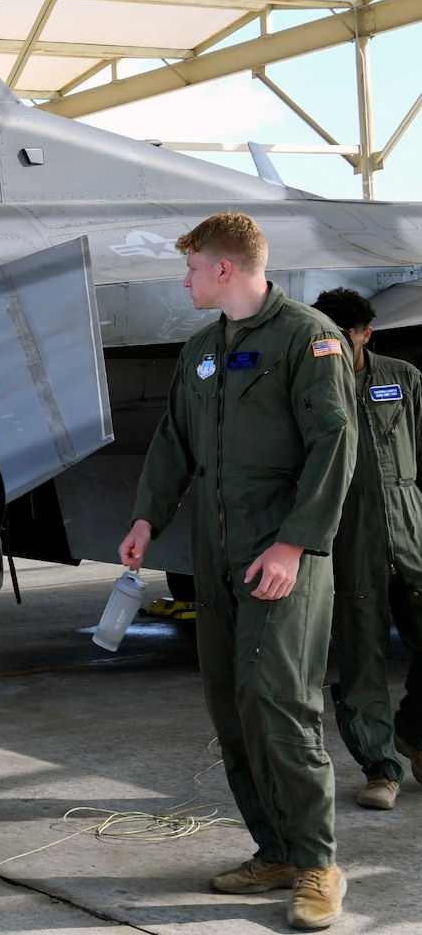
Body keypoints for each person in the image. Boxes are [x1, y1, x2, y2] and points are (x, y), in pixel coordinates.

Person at [118, 212, 356, 930]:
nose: (183, 279)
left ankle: (316, 863)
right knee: (230, 706)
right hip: (215, 560)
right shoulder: (200, 350)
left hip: (279, 556)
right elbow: (172, 443)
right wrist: (144, 518)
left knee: (280, 705)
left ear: (223, 268)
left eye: (190, 266)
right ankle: (274, 848)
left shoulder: (307, 339)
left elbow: (333, 443)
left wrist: (294, 544)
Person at [312, 287, 422, 810]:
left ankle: (414, 733)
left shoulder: (403, 380)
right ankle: (382, 768)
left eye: (343, 338)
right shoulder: (306, 391)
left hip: (412, 536)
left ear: (364, 335)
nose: (334, 347)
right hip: (350, 546)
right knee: (362, 664)